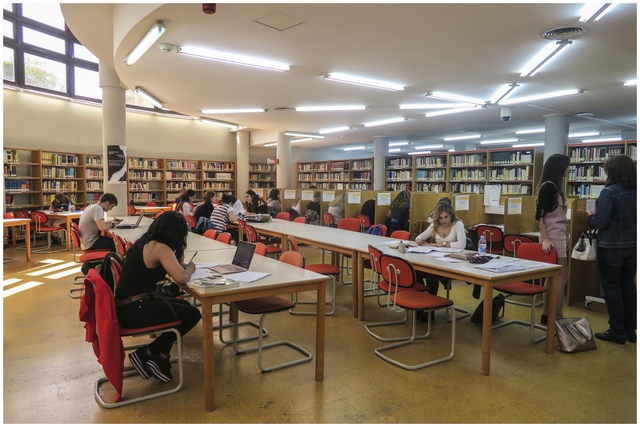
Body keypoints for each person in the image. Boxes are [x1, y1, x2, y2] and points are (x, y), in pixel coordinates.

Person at [115, 211, 202, 383]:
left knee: (185, 307)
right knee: (193, 314)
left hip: (130, 306)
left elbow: (173, 267)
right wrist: (190, 269)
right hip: (137, 310)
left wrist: (178, 260)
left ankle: (160, 355)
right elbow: (182, 277)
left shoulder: (148, 243)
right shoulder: (161, 248)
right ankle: (148, 352)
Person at [587, 155, 637, 344]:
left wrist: (590, 217)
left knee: (611, 288)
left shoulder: (609, 192)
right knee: (629, 286)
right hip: (633, 246)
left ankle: (617, 331)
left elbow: (600, 222)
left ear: (613, 171)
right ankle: (630, 330)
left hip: (611, 246)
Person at [535, 153, 571, 325]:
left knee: (553, 277)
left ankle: (547, 314)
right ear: (560, 167)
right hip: (553, 239)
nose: (569, 169)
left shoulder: (554, 187)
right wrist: (546, 239)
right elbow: (539, 217)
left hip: (559, 237)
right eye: (567, 165)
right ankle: (557, 317)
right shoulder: (549, 187)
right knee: (562, 278)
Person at [414, 198, 467, 299]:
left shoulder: (458, 225)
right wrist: (419, 240)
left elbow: (462, 244)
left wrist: (442, 244)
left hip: (452, 261)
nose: (443, 221)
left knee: (431, 274)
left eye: (446, 217)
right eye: (440, 218)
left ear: (451, 215)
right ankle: (423, 296)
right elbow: (419, 237)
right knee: (415, 271)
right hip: (437, 259)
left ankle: (431, 300)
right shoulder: (434, 225)